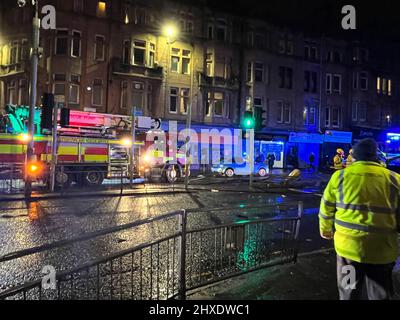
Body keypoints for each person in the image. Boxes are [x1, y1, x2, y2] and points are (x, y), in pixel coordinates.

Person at [319, 138, 400, 300]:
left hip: (349, 251)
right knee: (380, 295)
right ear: (376, 157)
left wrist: (326, 229)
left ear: (354, 157)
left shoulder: (340, 177)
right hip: (382, 251)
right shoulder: (394, 179)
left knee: (349, 292)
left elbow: (326, 208)